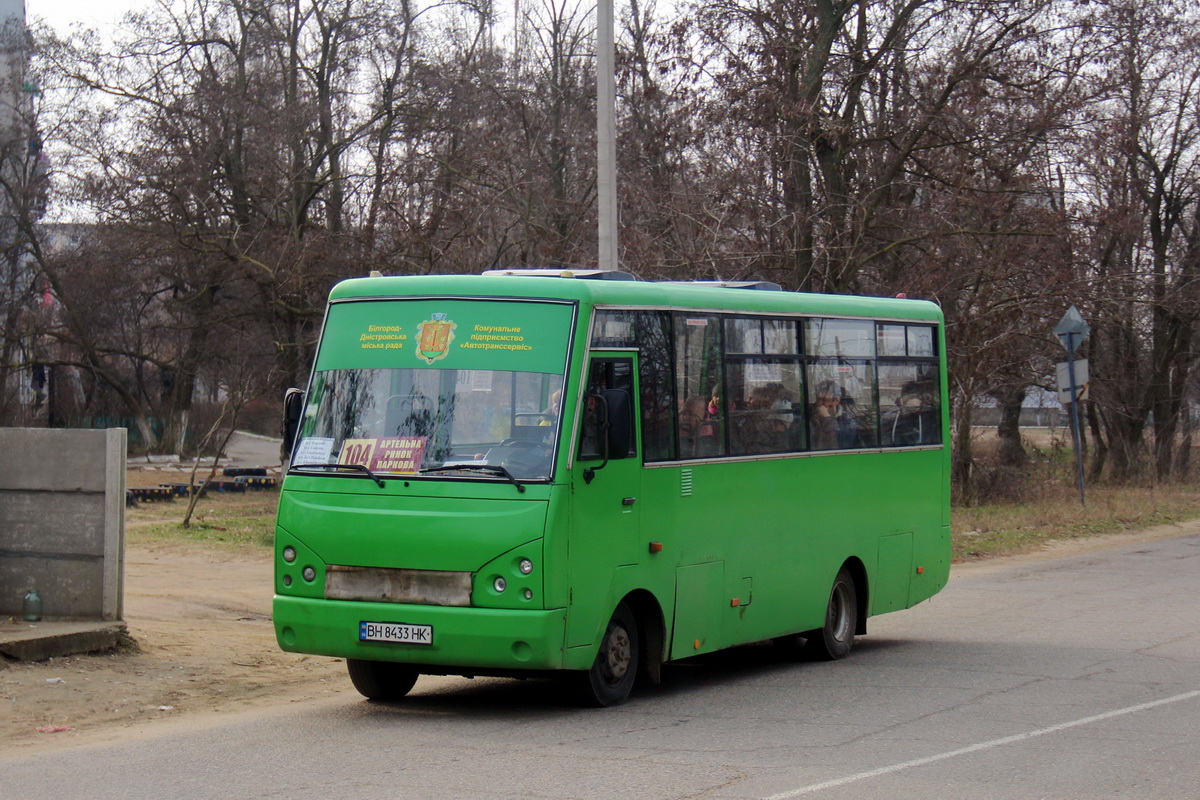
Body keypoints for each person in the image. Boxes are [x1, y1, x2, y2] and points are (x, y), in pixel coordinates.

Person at [811, 379, 841, 450]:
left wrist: (826, 417)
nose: (822, 404)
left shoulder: (844, 421)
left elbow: (832, 444)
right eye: (819, 399)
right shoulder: (812, 418)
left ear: (836, 401)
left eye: (826, 400)